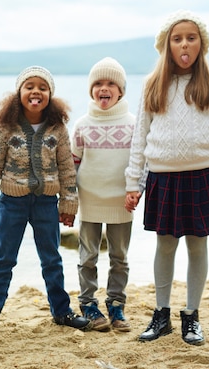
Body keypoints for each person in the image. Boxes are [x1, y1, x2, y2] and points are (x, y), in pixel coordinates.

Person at [124, 10, 209, 346]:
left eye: (191, 37)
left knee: (197, 246)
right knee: (165, 245)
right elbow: (139, 137)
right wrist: (134, 183)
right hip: (162, 178)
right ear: (166, 45)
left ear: (201, 44)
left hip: (202, 178)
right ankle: (162, 315)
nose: (184, 43)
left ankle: (192, 316)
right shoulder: (152, 84)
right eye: (177, 38)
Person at [0, 66, 91, 339]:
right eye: (29, 86)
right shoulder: (5, 126)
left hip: (47, 202)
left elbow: (66, 168)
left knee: (51, 259)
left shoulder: (57, 128)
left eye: (43, 88)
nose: (36, 91)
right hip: (12, 202)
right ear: (19, 93)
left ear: (50, 95)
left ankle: (61, 311)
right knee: (3, 259)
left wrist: (68, 205)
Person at [71, 57, 136, 332]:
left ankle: (116, 304)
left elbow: (138, 164)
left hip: (122, 201)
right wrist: (70, 199)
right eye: (98, 83)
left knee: (119, 257)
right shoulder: (82, 124)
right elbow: (72, 165)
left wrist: (136, 190)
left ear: (121, 90)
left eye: (111, 83)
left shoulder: (134, 124)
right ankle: (88, 303)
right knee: (88, 256)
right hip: (90, 200)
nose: (104, 88)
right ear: (91, 90)